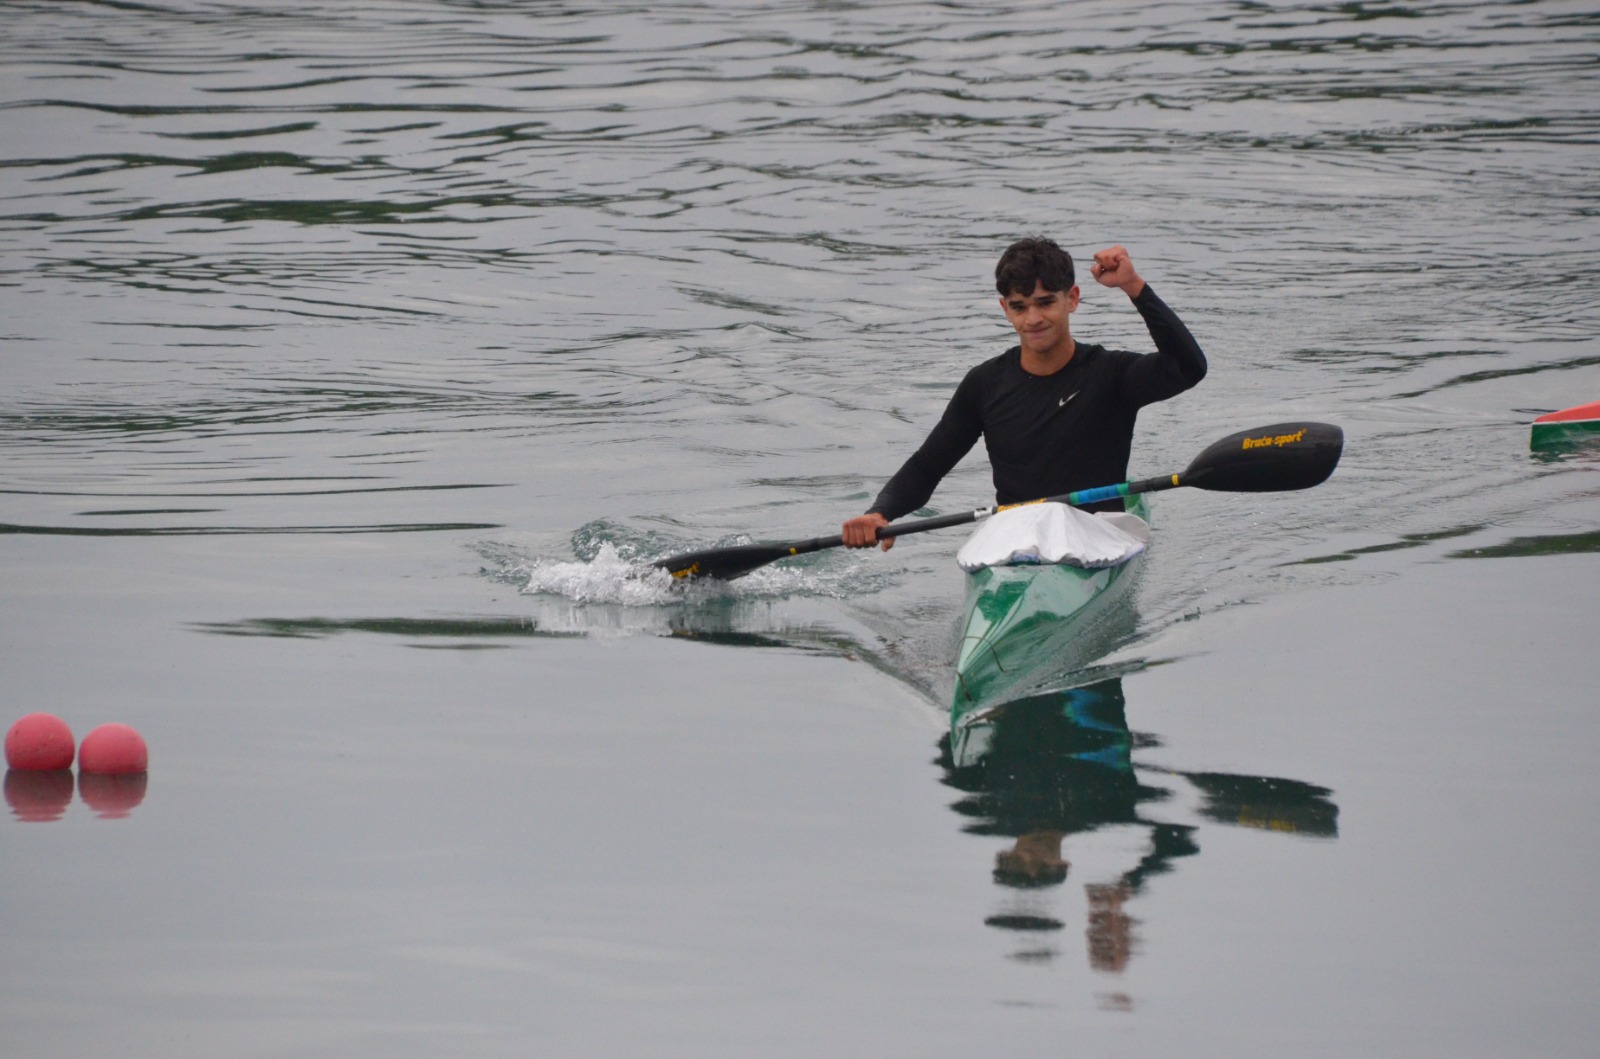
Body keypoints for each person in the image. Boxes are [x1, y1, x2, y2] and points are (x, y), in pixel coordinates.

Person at [841, 238, 1207, 550]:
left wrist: (1134, 286)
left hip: (1097, 539)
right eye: (1019, 306)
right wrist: (881, 511)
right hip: (1014, 539)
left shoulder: (1111, 374)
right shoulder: (985, 384)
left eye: (1045, 302)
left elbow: (1189, 367)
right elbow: (927, 466)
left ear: (1073, 299)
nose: (1032, 318)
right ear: (1005, 309)